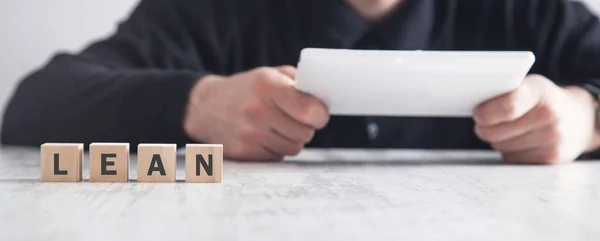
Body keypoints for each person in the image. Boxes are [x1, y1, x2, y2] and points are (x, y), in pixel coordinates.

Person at [3, 0, 600, 164]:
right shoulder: (214, 10)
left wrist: (584, 115)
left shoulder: (527, 8)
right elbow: (36, 103)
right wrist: (198, 103)